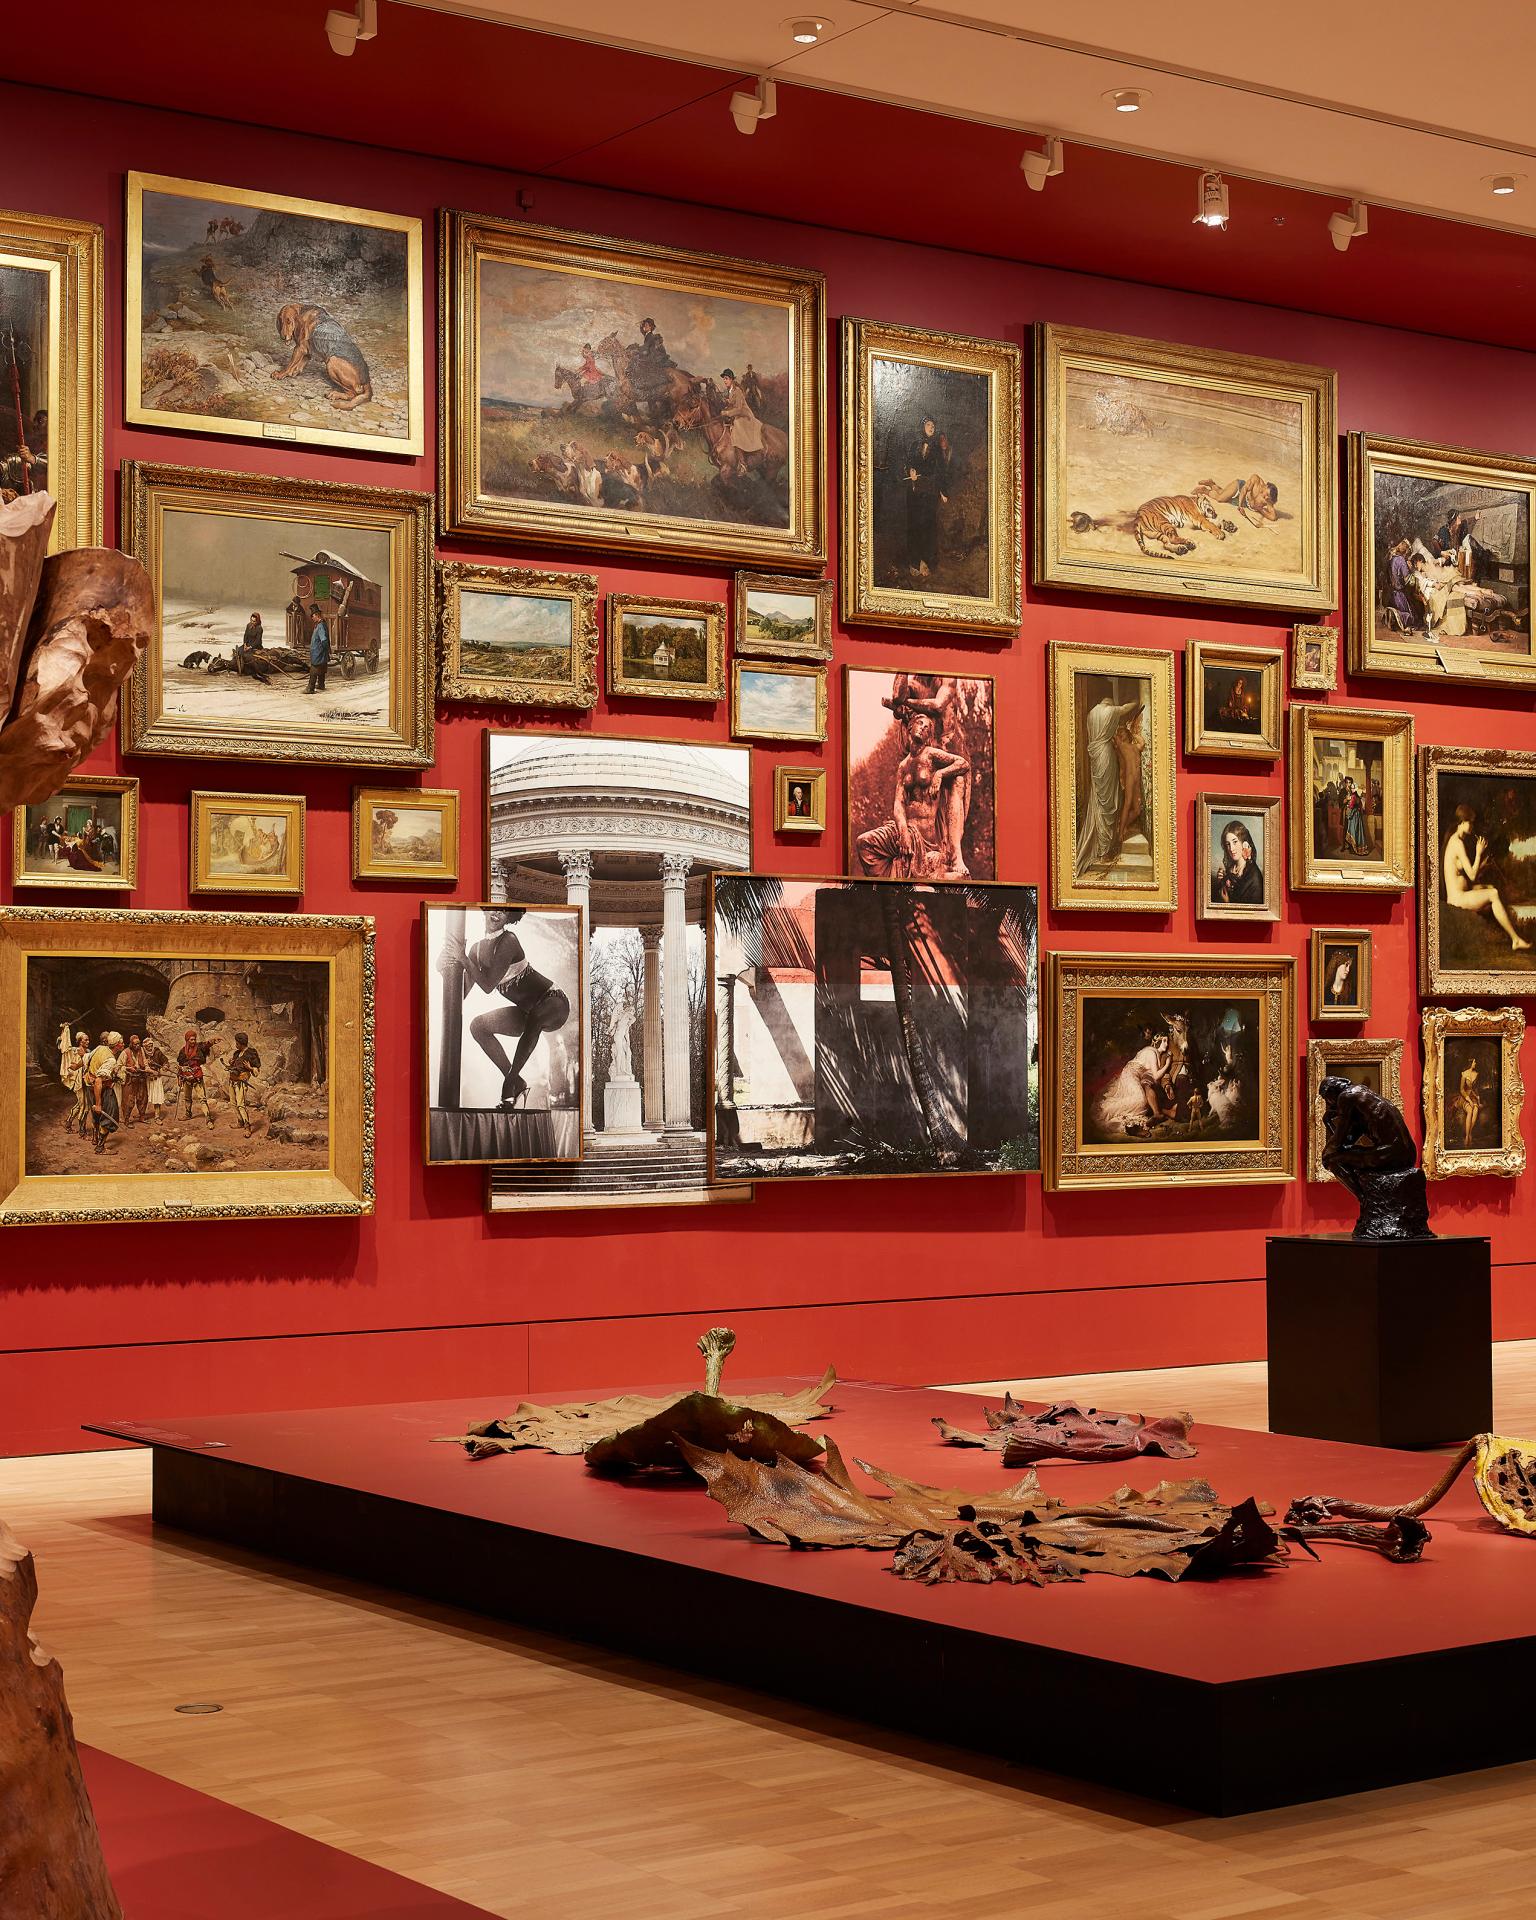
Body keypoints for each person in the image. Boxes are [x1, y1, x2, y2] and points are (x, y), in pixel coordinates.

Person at [436, 907, 572, 1110]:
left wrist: (462, 959)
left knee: (535, 1018)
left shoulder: (509, 940)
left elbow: (488, 985)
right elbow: (460, 993)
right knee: (478, 1026)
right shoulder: (476, 950)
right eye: (494, 909)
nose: (497, 914)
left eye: (503, 912)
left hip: (554, 1002)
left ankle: (509, 1085)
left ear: (509, 918)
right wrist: (444, 968)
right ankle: (517, 1081)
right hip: (526, 1012)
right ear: (484, 912)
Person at [854, 709, 971, 880]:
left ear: (929, 736)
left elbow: (963, 763)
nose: (923, 728)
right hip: (904, 828)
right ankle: (890, 887)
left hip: (925, 834)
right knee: (864, 843)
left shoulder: (930, 754)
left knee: (958, 779)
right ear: (910, 728)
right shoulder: (903, 766)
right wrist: (903, 833)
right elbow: (899, 802)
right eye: (920, 724)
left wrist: (939, 774)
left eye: (927, 728)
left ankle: (953, 858)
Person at [1074, 690, 1145, 875]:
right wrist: (1137, 699)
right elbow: (1128, 707)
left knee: (1101, 798)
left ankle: (1103, 846)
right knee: (1108, 801)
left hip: (1096, 757)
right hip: (1105, 756)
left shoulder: (1091, 713)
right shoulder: (1110, 710)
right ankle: (1104, 847)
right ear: (1110, 700)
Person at [1443, 804, 1532, 950]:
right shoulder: (1457, 843)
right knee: (1493, 893)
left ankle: (1503, 933)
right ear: (1462, 822)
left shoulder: (1457, 840)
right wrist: (1478, 853)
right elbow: (1472, 876)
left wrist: (1482, 865)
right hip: (1457, 898)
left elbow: (1468, 873)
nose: (1472, 826)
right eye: (1470, 822)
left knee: (1490, 887)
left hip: (1462, 893)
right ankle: (1515, 940)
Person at [1091, 1032, 1174, 1136]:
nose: (1167, 1044)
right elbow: (1156, 1076)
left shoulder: (1153, 1052)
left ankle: (1131, 1124)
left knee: (1140, 1102)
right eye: (1164, 1041)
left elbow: (1151, 1076)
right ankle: (1106, 1112)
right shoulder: (1152, 1052)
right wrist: (1167, 1064)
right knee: (1140, 1100)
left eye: (1167, 1041)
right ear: (1157, 1041)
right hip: (1130, 1074)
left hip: (1134, 1075)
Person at [903, 415, 951, 579]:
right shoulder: (915, 445)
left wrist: (943, 491)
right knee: (914, 525)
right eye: (929, 425)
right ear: (922, 427)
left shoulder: (937, 449)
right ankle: (914, 562)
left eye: (933, 425)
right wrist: (910, 470)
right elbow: (908, 463)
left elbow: (941, 472)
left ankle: (925, 561)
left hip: (930, 492)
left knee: (928, 527)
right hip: (915, 492)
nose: (932, 428)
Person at [86, 1031, 125, 1155]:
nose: (123, 1044)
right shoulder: (111, 1059)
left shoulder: (100, 1048)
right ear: (117, 1045)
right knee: (109, 1116)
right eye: (122, 1042)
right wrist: (98, 1104)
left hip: (90, 1087)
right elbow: (99, 1080)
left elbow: (86, 1058)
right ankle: (100, 1148)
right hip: (102, 1089)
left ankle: (95, 1139)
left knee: (96, 1116)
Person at [718, 369, 765, 464]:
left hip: (745, 415)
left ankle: (742, 461)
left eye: (726, 378)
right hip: (737, 415)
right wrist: (727, 405)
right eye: (724, 379)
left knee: (737, 424)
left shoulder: (738, 391)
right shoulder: (730, 391)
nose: (725, 381)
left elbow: (739, 409)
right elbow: (733, 404)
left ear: (731, 379)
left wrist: (727, 413)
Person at [1214, 820, 1264, 906]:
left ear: (1244, 842)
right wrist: (1221, 883)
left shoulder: (1254, 877)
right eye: (1228, 844)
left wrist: (1227, 904)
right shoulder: (1230, 869)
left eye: (1235, 842)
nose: (1231, 849)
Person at [57, 1026, 92, 1137]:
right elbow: (64, 1049)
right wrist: (63, 1035)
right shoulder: (74, 1051)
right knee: (84, 1106)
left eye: (88, 1039)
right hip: (79, 1082)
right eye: (85, 1040)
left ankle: (68, 1123)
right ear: (80, 1041)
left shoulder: (89, 1052)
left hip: (87, 1081)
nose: (88, 1041)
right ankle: (82, 1131)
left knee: (82, 1104)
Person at [176, 1029, 216, 1125]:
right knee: (187, 1098)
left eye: (194, 1039)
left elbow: (206, 1045)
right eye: (191, 1040)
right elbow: (180, 1066)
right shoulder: (182, 1051)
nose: (193, 1041)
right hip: (186, 1077)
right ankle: (188, 1114)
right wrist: (179, 1077)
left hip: (197, 1076)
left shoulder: (199, 1048)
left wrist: (212, 1042)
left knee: (202, 1098)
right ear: (187, 1040)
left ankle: (208, 1118)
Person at [227, 1031, 261, 1131]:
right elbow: (235, 1067)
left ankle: (247, 1127)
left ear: (241, 1043)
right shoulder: (236, 1053)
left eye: (237, 1043)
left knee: (241, 1105)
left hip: (241, 1083)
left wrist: (250, 1068)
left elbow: (257, 1072)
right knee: (233, 1103)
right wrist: (231, 1063)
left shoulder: (251, 1054)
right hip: (232, 1081)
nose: (235, 1044)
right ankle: (240, 1122)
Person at [119, 1032, 152, 1125]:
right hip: (130, 1080)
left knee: (143, 1098)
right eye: (135, 1044)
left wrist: (147, 1069)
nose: (137, 1046)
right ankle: (126, 1119)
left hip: (141, 1079)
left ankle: (142, 1117)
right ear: (131, 1044)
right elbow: (119, 1066)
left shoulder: (141, 1050)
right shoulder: (125, 1052)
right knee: (128, 1100)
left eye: (138, 1043)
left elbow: (145, 1062)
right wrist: (128, 1068)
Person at [1454, 1055, 1483, 1149]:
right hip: (1465, 1096)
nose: (1475, 1063)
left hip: (1473, 1096)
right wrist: (1469, 1100)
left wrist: (1478, 1100)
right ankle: (1467, 1136)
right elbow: (1461, 1090)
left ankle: (1469, 1132)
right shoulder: (1464, 1074)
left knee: (1475, 1110)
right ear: (1470, 1063)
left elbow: (1476, 1089)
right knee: (1470, 1110)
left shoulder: (1476, 1074)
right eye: (1474, 1062)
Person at [304, 602, 330, 695]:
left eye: (313, 616)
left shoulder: (320, 626)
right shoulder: (320, 624)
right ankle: (321, 685)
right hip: (319, 652)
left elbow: (324, 640)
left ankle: (310, 688)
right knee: (322, 668)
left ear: (317, 615)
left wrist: (323, 650)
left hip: (318, 652)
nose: (312, 618)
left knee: (314, 670)